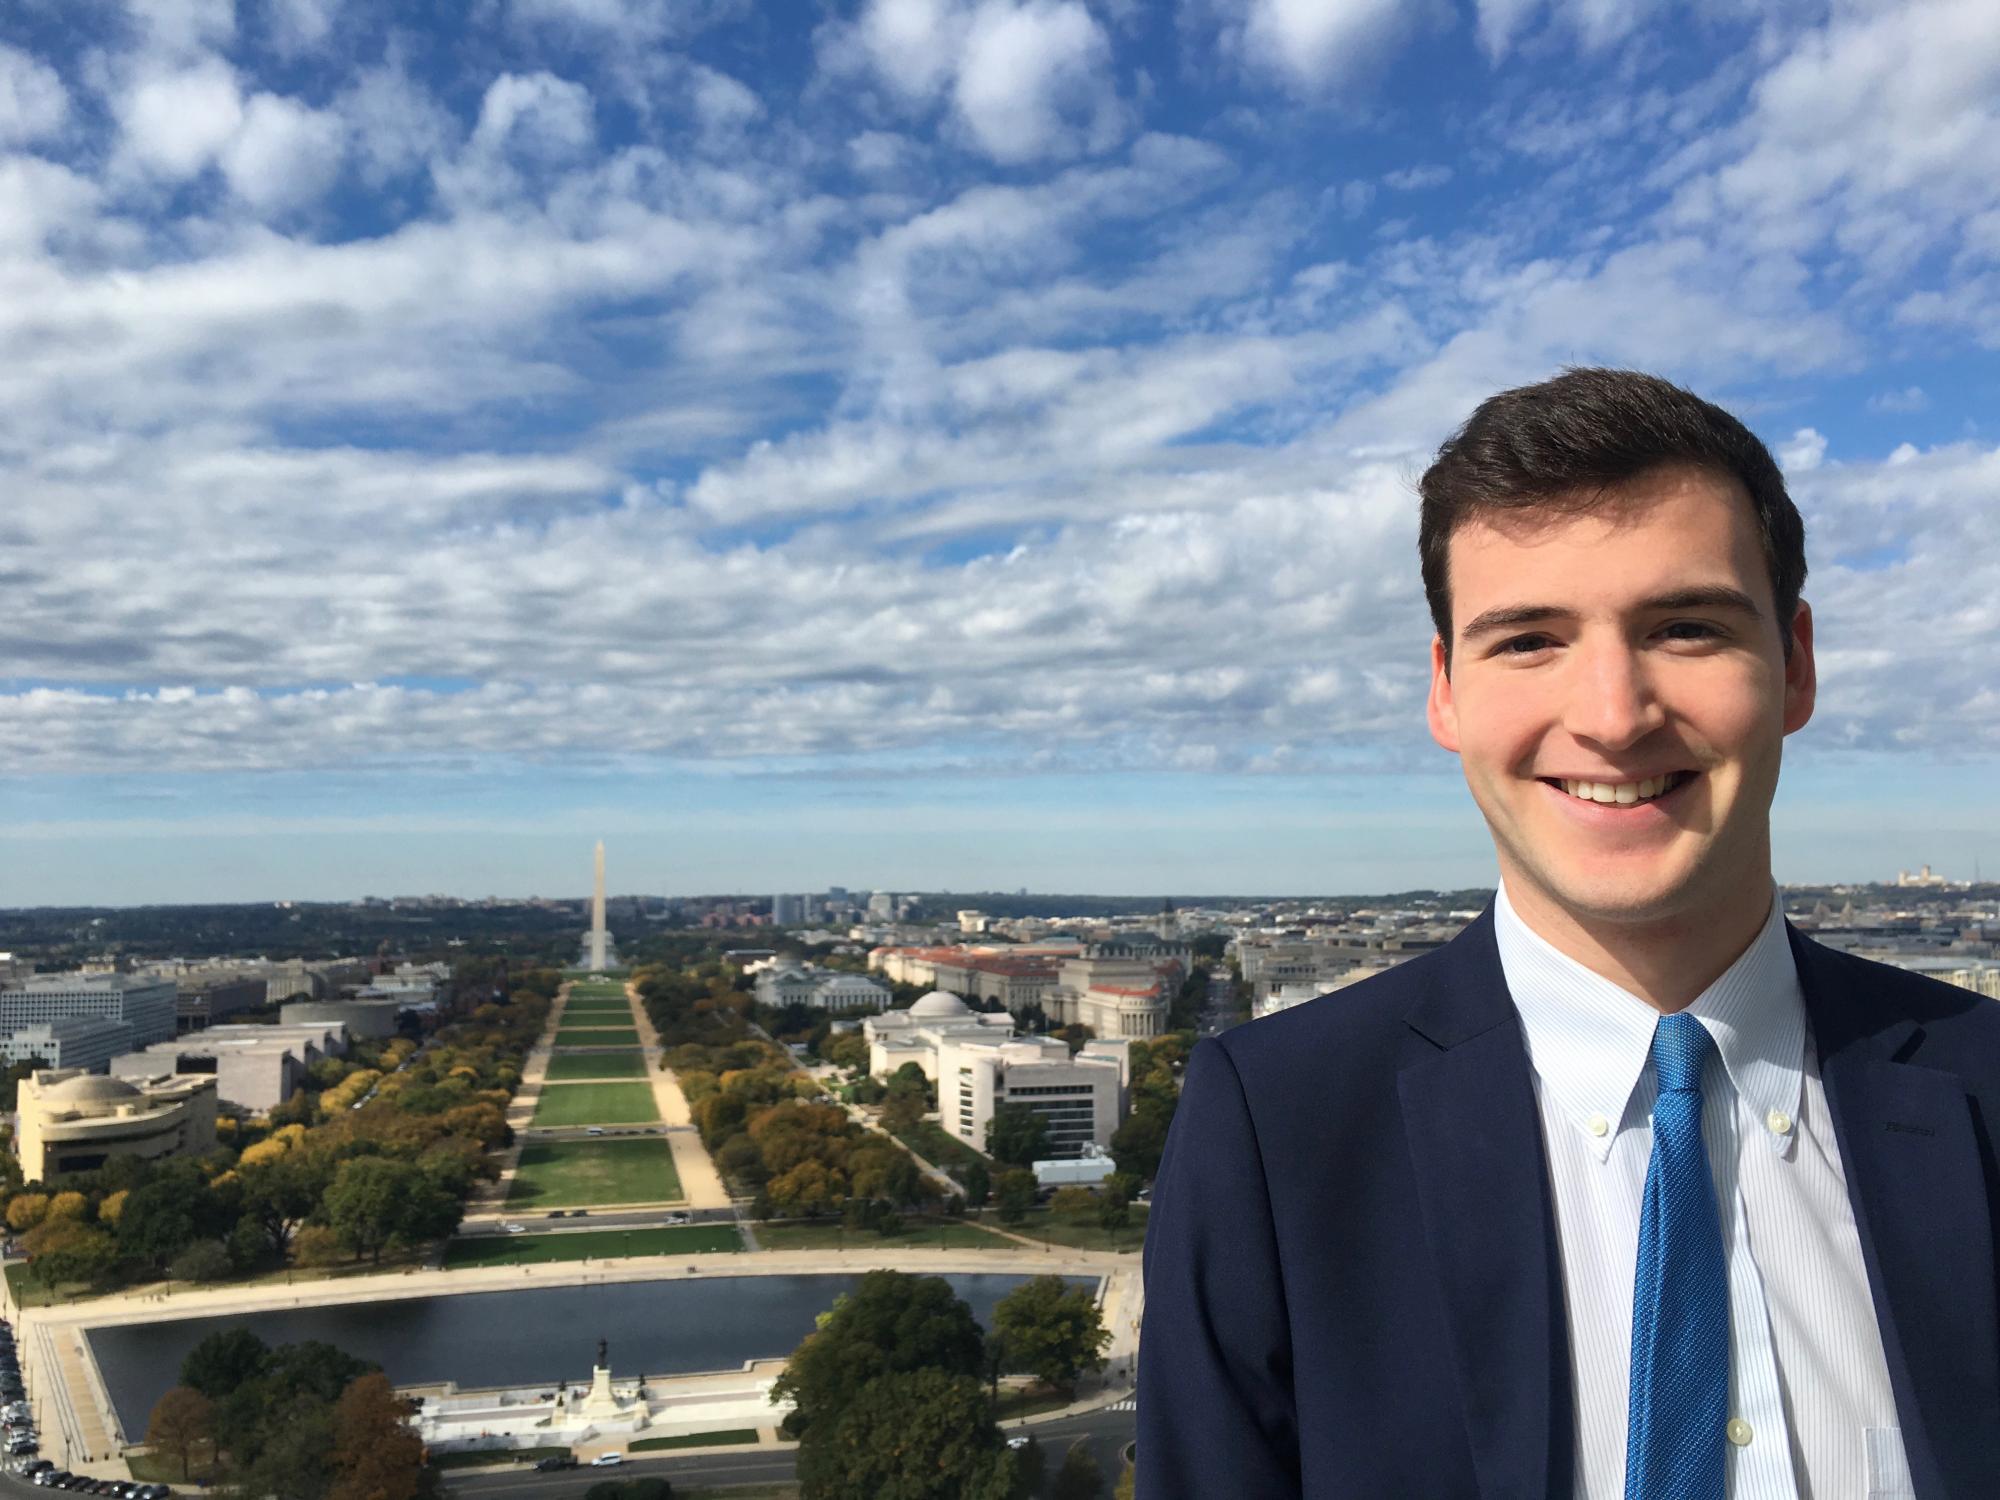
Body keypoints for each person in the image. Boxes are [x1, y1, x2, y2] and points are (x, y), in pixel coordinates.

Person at [1138, 369, 2000, 1499]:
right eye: (1528, 640)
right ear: (1444, 690)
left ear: (1792, 666)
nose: (1609, 714)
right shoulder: (1280, 1131)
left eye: (1683, 627)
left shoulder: (1982, 1089)